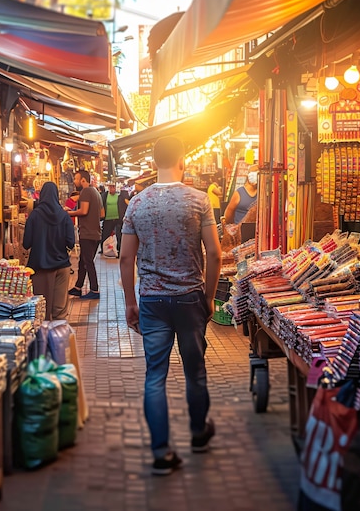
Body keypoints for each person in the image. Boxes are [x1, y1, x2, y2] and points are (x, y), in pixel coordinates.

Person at [120, 136, 222, 476]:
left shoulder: (137, 204)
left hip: (151, 300)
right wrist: (208, 298)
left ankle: (161, 452)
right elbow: (215, 253)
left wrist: (129, 303)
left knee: (155, 376)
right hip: (190, 297)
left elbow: (124, 258)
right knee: (195, 371)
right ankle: (197, 434)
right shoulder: (199, 200)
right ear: (183, 159)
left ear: (152, 161)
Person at [22, 181, 75, 320]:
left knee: (41, 312)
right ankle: (59, 339)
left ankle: (43, 341)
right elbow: (71, 242)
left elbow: (26, 244)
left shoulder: (34, 215)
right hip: (62, 267)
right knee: (59, 312)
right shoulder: (64, 216)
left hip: (40, 268)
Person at [66, 169, 104, 299]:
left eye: (76, 179)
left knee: (88, 262)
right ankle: (78, 287)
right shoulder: (96, 192)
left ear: (83, 180)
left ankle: (94, 290)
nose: (75, 181)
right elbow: (102, 214)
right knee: (83, 261)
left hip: (88, 233)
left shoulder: (86, 191)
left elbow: (83, 211)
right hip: (95, 232)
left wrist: (68, 212)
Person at [100, 181, 128, 256]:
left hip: (118, 218)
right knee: (105, 233)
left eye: (113, 187)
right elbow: (102, 205)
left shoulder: (120, 196)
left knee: (119, 234)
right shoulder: (105, 195)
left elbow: (124, 205)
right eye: (110, 187)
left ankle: (119, 250)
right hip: (108, 218)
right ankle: (103, 248)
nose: (111, 189)